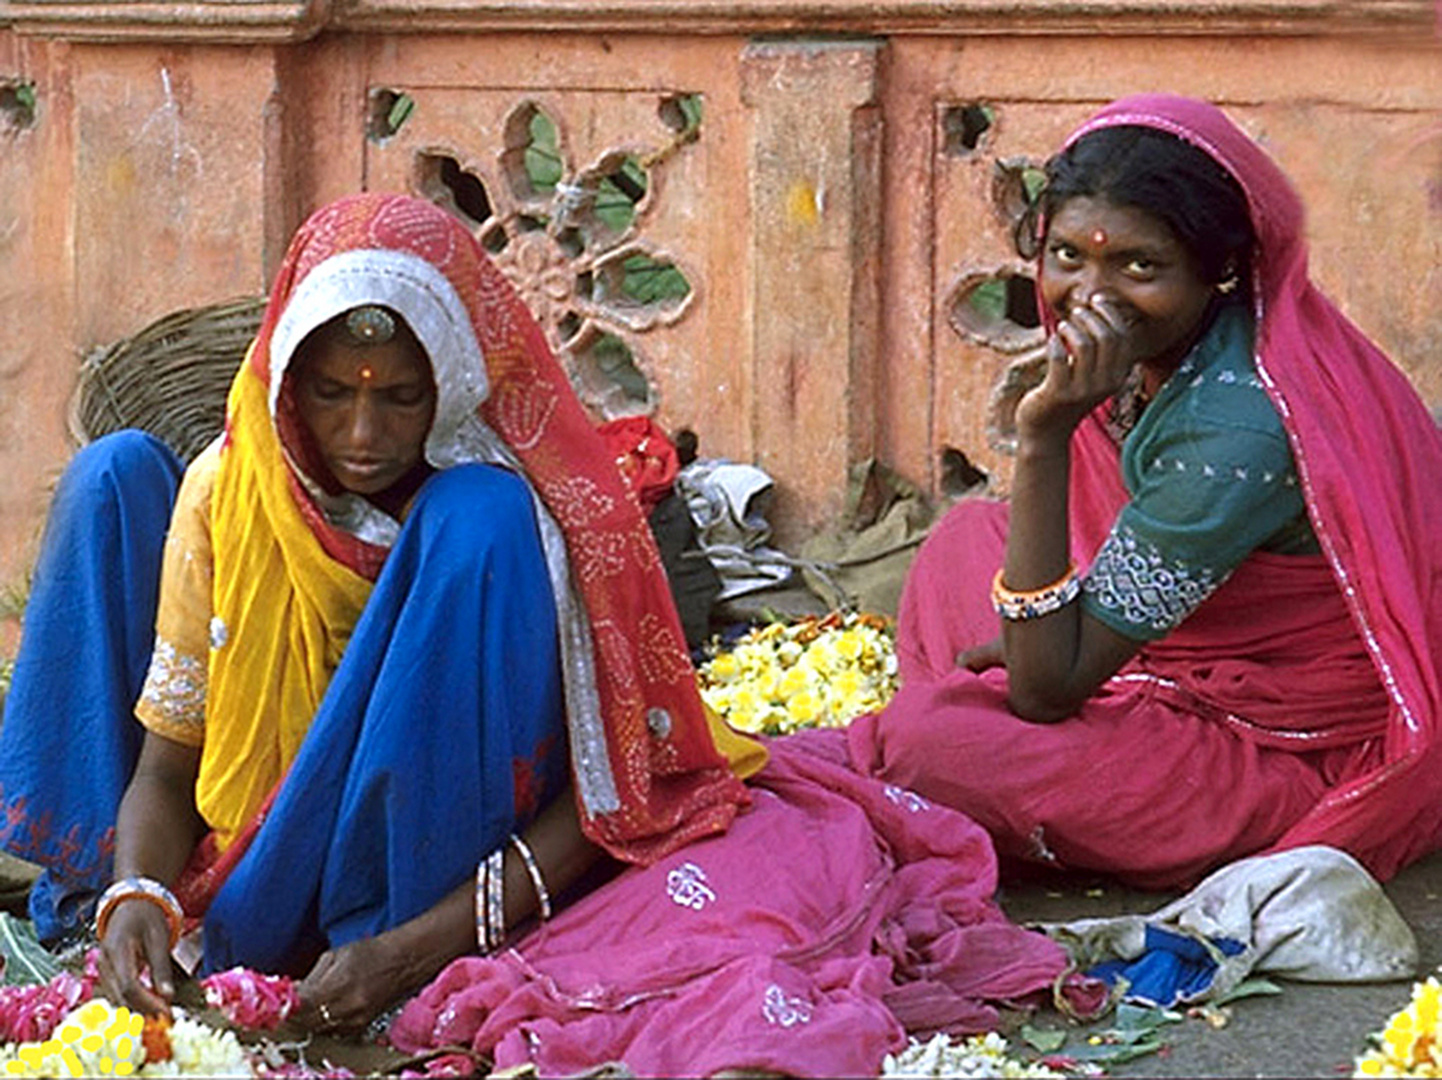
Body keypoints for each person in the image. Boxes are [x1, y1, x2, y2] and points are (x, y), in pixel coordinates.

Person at [0, 192, 757, 1030]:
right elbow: (168, 764)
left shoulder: (520, 522)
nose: (363, 432)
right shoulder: (234, 491)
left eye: (400, 398)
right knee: (112, 472)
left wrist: (412, 949)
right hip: (252, 884)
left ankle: (379, 933)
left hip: (426, 893)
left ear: (453, 383)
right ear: (289, 382)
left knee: (474, 513)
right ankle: (93, 904)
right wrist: (136, 893)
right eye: (331, 393)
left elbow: (607, 798)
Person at [848, 94, 1442, 891]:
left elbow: (1045, 692)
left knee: (929, 742)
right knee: (966, 540)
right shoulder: (1173, 345)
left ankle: (1037, 732)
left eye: (1139, 266)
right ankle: (1069, 690)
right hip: (1171, 645)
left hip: (1284, 744)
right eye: (1067, 256)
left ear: (1220, 268)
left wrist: (1046, 434)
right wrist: (1062, 642)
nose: (1091, 297)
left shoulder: (1238, 428)